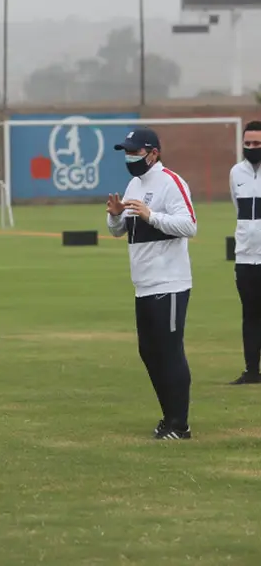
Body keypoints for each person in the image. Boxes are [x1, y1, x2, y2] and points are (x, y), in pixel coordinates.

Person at [106, 126, 196, 440]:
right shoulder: (133, 183)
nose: (130, 157)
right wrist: (116, 216)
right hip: (143, 283)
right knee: (149, 351)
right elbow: (120, 232)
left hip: (170, 282)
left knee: (170, 351)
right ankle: (167, 417)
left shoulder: (171, 181)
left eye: (135, 151)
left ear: (153, 153)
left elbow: (189, 225)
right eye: (126, 152)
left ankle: (179, 424)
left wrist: (151, 215)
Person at [229, 120, 261, 385]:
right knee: (249, 313)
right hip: (245, 258)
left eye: (257, 144)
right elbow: (238, 210)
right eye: (248, 143)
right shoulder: (235, 173)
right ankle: (252, 371)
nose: (252, 147)